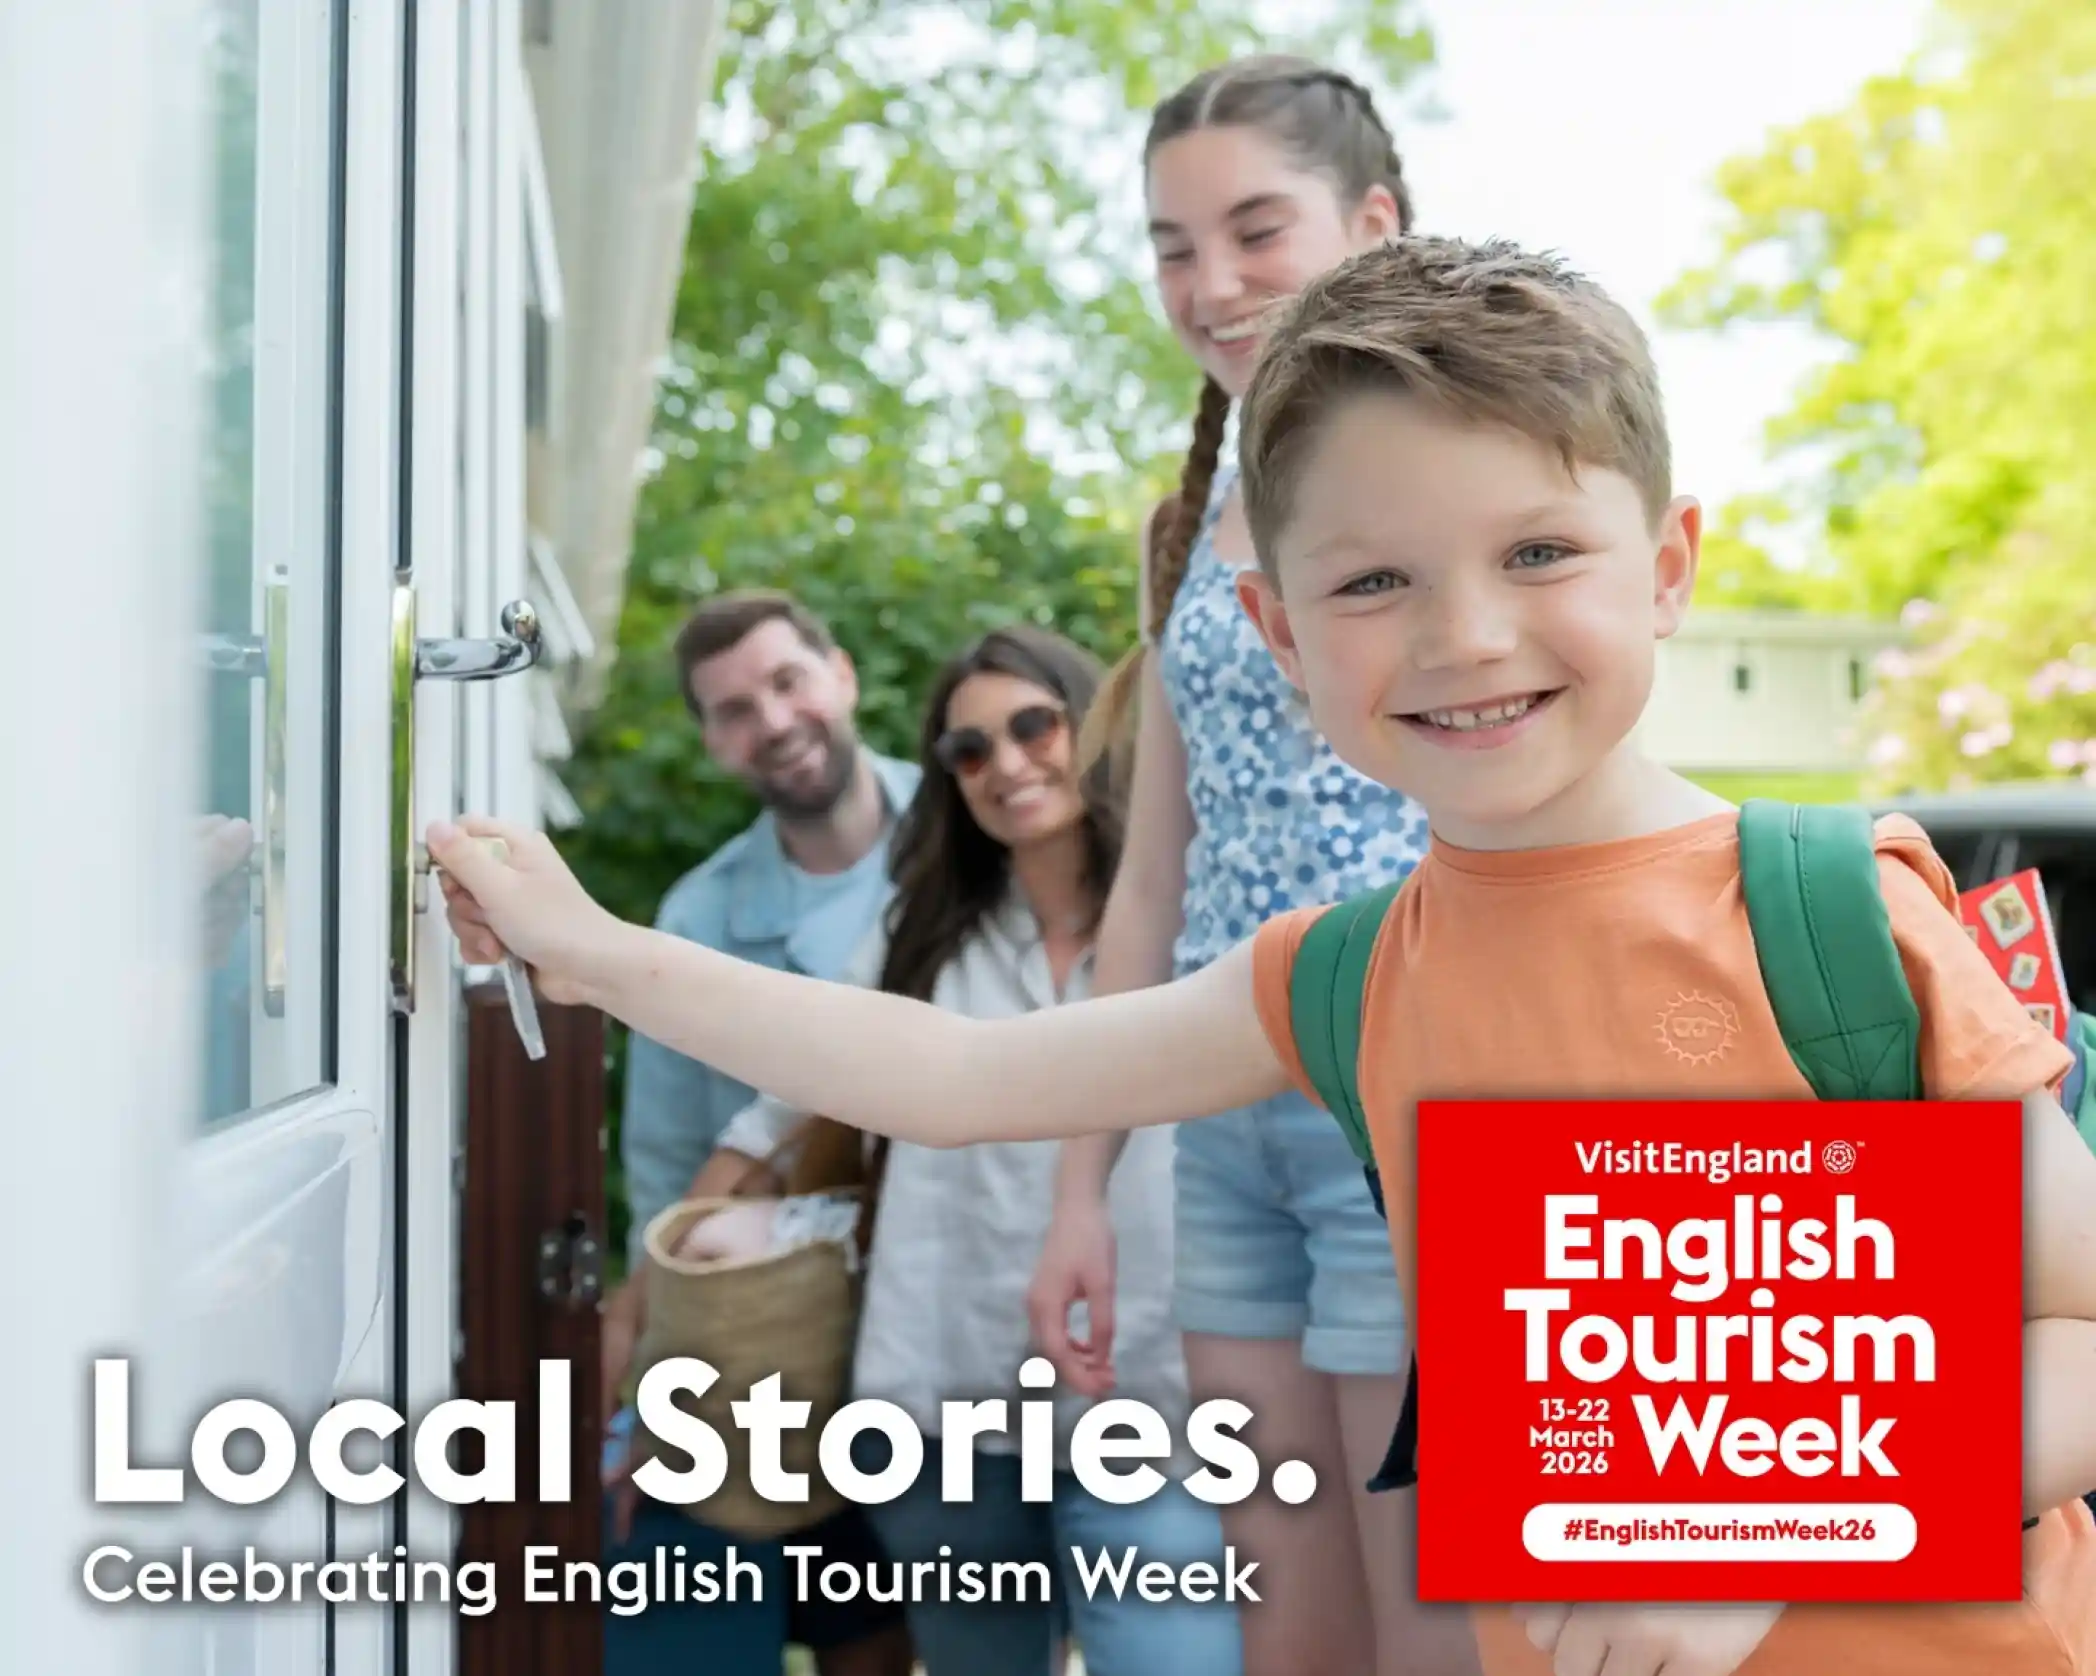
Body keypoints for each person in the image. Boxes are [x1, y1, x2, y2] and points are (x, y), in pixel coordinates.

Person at [428, 233, 2096, 1676]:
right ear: (1282, 637)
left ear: (1666, 569)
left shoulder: (1826, 909)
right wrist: (598, 952)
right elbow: (956, 1076)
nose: (1465, 634)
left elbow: (2077, 1339)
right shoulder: (1347, 976)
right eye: (1374, 579)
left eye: (1537, 551)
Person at [1023, 55, 1460, 1676]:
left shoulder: (1452, 475)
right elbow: (1154, 880)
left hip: (1410, 1119)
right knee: (1287, 1642)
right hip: (1228, 1137)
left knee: (1431, 1644)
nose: (1209, 285)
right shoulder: (1193, 523)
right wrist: (1081, 1192)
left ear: (1371, 221)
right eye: (1170, 245)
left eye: (1254, 229)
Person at [632, 625, 1241, 1675]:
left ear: (1089, 724)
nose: (1004, 763)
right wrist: (651, 1344)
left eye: (1031, 725)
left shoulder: (1197, 924)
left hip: (1145, 1399)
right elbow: (766, 1118)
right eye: (967, 749)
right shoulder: (916, 934)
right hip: (942, 1409)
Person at [605, 588, 918, 1676]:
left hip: (958, 1294)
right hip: (794, 1331)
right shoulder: (695, 922)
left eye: (787, 681)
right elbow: (667, 1186)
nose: (772, 719)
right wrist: (645, 1383)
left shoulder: (972, 830)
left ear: (840, 674)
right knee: (842, 1619)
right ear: (709, 739)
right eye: (734, 707)